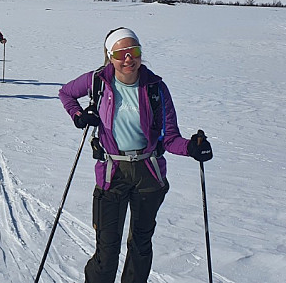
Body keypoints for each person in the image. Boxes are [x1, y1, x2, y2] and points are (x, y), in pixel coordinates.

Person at [58, 27, 213, 283]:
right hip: (112, 173)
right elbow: (66, 93)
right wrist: (79, 116)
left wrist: (192, 148)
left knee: (141, 247)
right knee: (106, 252)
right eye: (121, 53)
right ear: (110, 56)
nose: (128, 58)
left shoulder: (156, 88)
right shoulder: (97, 80)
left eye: (134, 51)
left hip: (148, 175)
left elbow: (170, 137)